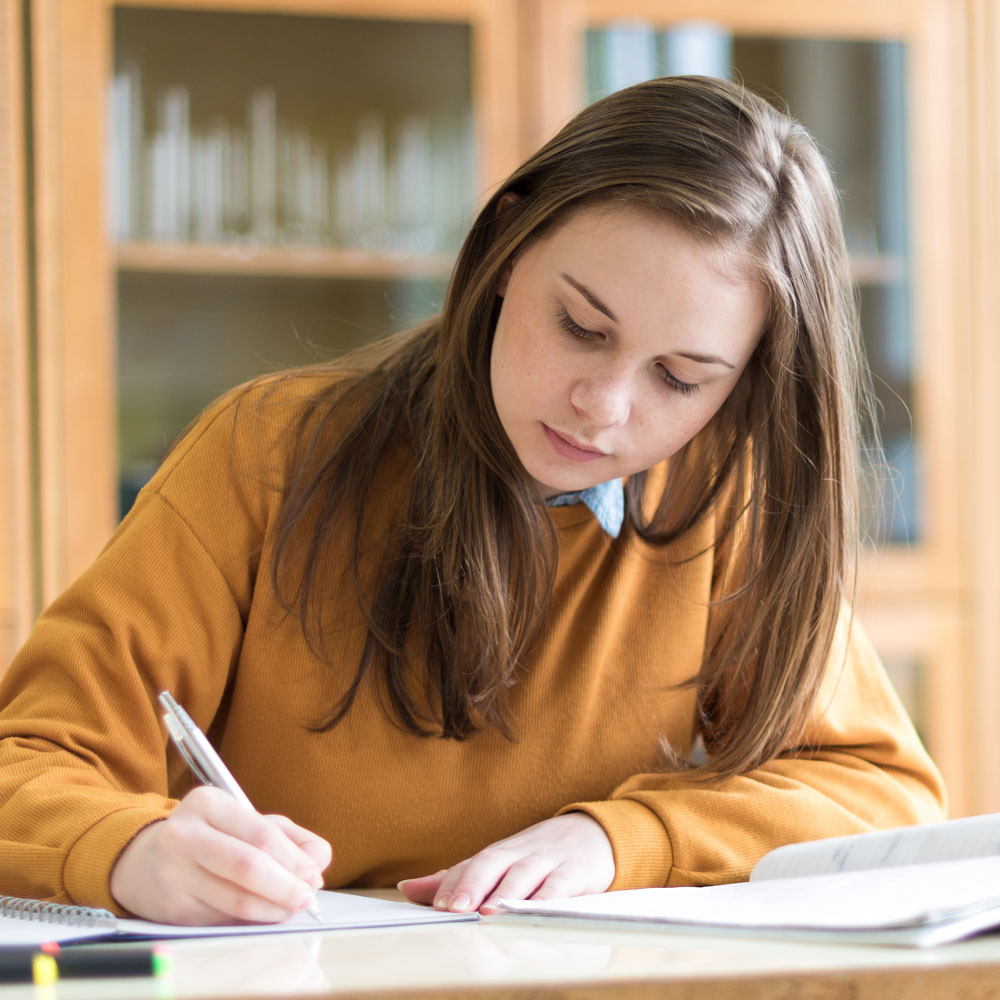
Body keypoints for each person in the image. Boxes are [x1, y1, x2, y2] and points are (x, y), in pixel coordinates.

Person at [0, 76, 944, 926]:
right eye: (579, 326)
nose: (604, 407)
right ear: (503, 245)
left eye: (682, 377)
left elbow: (879, 792)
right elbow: (25, 764)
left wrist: (619, 841)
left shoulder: (718, 499)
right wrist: (132, 852)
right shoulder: (266, 456)